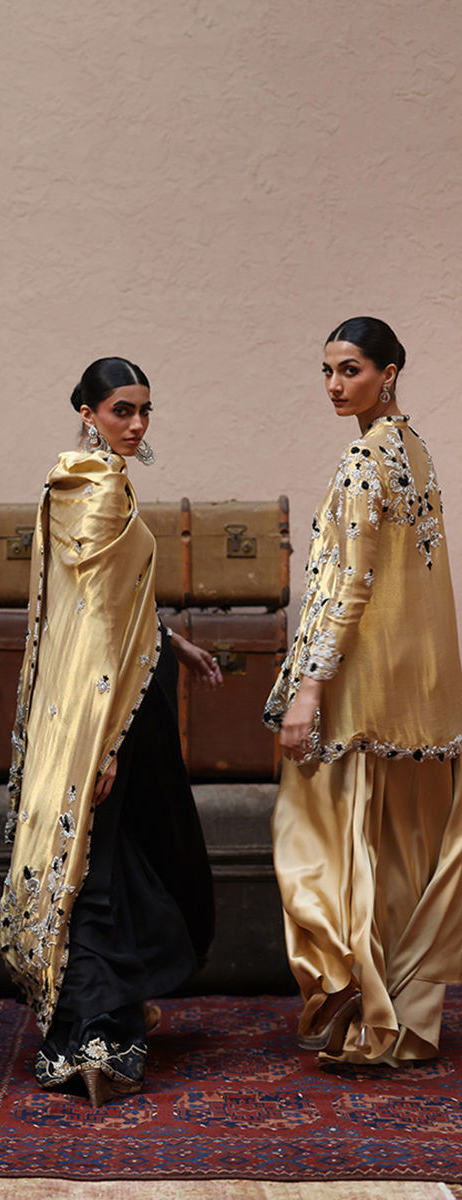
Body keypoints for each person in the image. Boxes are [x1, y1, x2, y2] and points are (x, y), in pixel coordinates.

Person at [0, 356, 220, 1107]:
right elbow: (93, 624)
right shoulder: (99, 485)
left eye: (145, 410)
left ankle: (99, 1020)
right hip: (112, 707)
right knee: (98, 860)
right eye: (122, 409)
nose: (137, 423)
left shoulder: (77, 482)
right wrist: (104, 740)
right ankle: (95, 1033)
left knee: (112, 853)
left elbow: (107, 603)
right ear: (88, 413)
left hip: (116, 692)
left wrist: (172, 640)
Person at [264, 316, 462, 1067]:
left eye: (350, 370)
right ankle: (398, 1020)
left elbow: (347, 587)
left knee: (320, 844)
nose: (334, 385)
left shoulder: (361, 460)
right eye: (327, 370)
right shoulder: (418, 452)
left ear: (389, 372)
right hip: (424, 697)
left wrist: (308, 693)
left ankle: (348, 987)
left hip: (359, 690)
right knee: (401, 855)